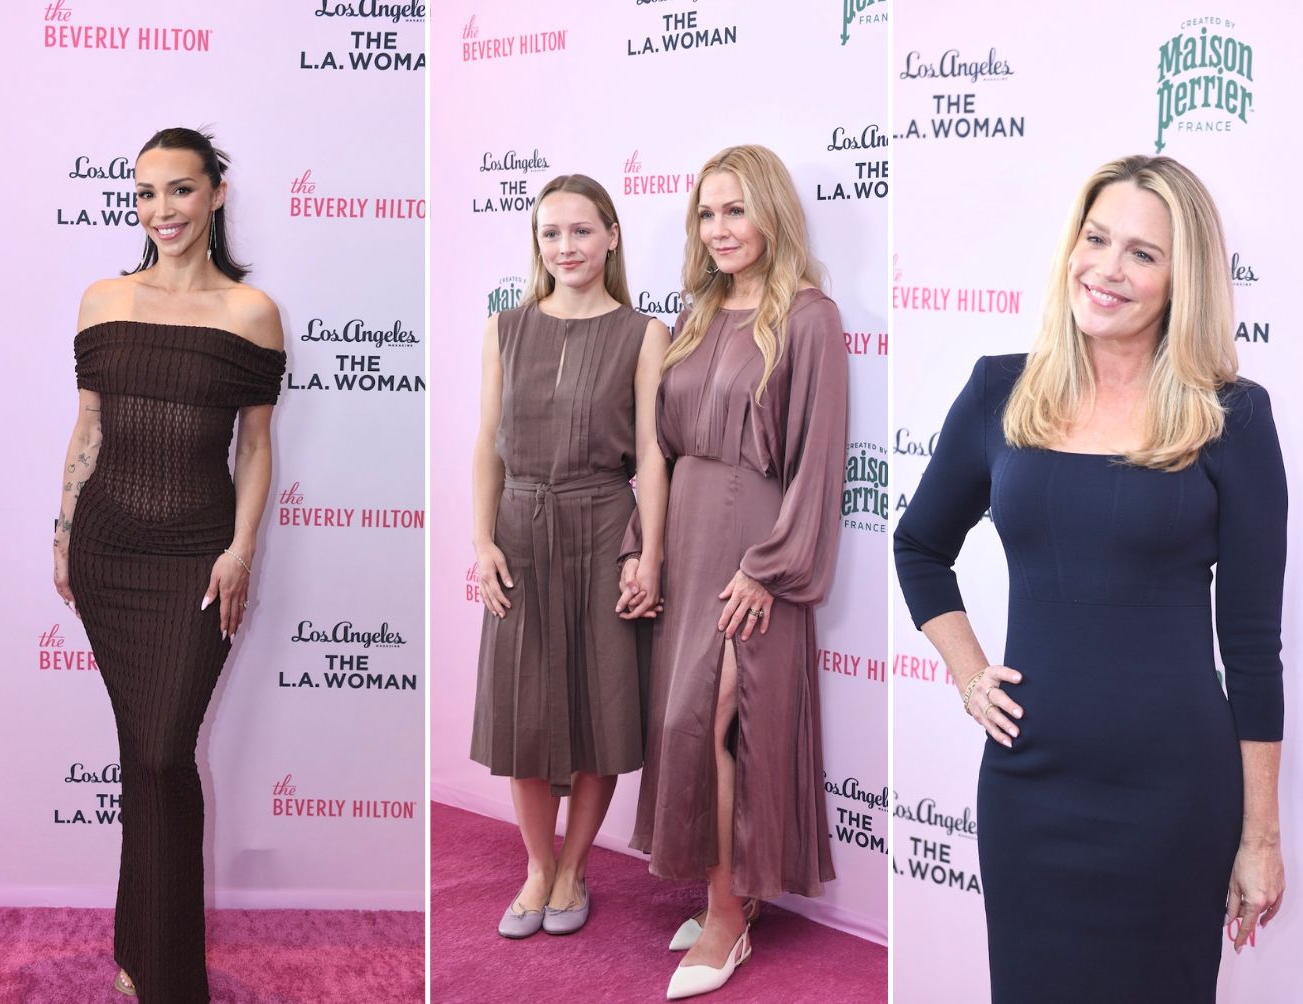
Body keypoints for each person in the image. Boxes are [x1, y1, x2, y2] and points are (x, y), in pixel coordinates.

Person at [893, 155, 1284, 1002]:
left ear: (1186, 280)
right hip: (1031, 787)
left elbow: (1252, 648)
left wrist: (1261, 835)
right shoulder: (1002, 390)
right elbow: (920, 546)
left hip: (1177, 796)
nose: (1106, 268)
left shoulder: (1233, 417)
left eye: (1143, 253)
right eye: (1096, 238)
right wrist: (968, 675)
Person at [51, 126, 285, 1002]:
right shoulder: (102, 298)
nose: (162, 211)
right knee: (138, 755)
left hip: (197, 557)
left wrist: (242, 549)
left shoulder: (250, 312)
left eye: (180, 191)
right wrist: (64, 531)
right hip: (110, 552)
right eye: (145, 193)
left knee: (162, 753)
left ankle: (167, 972)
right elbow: (90, 430)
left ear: (216, 194)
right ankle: (138, 947)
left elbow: (256, 449)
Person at [625, 144, 847, 999]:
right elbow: (658, 448)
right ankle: (732, 894)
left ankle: (726, 918)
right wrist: (640, 550)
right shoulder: (693, 315)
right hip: (684, 538)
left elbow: (819, 462)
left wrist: (773, 566)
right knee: (686, 722)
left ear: (772, 215)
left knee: (721, 719)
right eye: (707, 214)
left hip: (756, 548)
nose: (720, 229)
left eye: (736, 210)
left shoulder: (809, 317)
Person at [470, 173, 669, 939]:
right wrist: (481, 540)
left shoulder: (645, 333)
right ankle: (536, 867)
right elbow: (486, 445)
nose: (565, 247)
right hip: (519, 527)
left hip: (601, 522)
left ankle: (576, 865)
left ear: (612, 235)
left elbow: (653, 455)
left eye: (581, 231)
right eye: (550, 233)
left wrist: (648, 553)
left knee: (601, 705)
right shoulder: (504, 328)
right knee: (522, 711)